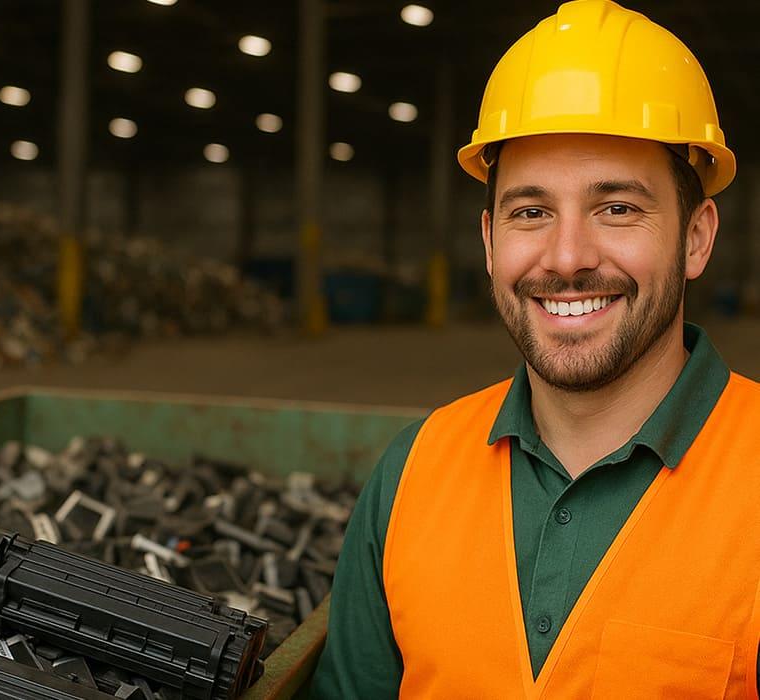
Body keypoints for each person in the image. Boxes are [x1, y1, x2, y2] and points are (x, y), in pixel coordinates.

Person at [310, 0, 760, 697]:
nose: (567, 256)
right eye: (531, 212)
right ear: (490, 242)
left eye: (616, 207)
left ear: (696, 236)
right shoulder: (412, 472)